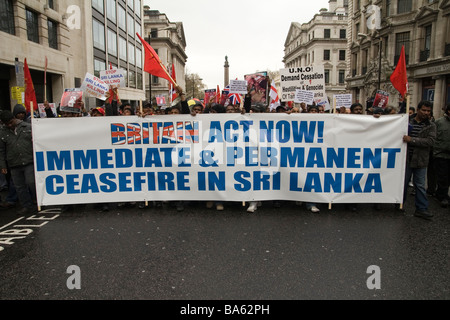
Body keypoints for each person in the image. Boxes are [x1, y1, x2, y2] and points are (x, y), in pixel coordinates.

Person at [402, 101, 436, 220]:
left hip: (420, 160)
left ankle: (421, 208)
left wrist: (412, 140)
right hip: (405, 159)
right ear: (418, 109)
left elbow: (430, 141)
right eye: (424, 110)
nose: (426, 113)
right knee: (403, 184)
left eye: (428, 111)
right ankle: (399, 204)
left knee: (420, 185)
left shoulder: (431, 125)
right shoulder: (406, 121)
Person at [0, 110, 37, 215]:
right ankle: (27, 206)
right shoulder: (3, 132)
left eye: (11, 122)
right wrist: (3, 165)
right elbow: (1, 150)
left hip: (28, 160)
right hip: (14, 163)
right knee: (19, 186)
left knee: (31, 182)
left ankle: (37, 200)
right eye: (7, 124)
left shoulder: (27, 127)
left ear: (14, 119)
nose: (10, 125)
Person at [433, 104, 450, 208]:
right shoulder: (439, 122)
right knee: (443, 177)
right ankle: (442, 196)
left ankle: (442, 194)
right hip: (441, 155)